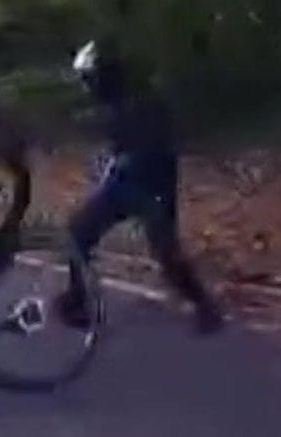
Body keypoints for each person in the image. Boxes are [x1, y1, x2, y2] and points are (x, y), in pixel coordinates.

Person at [59, 40, 224, 334]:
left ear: (102, 76)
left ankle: (205, 307)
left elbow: (155, 147)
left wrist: (126, 161)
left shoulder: (142, 102)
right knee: (78, 233)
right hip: (128, 185)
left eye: (89, 78)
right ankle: (77, 301)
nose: (87, 86)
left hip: (152, 187)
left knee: (165, 253)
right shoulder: (115, 105)